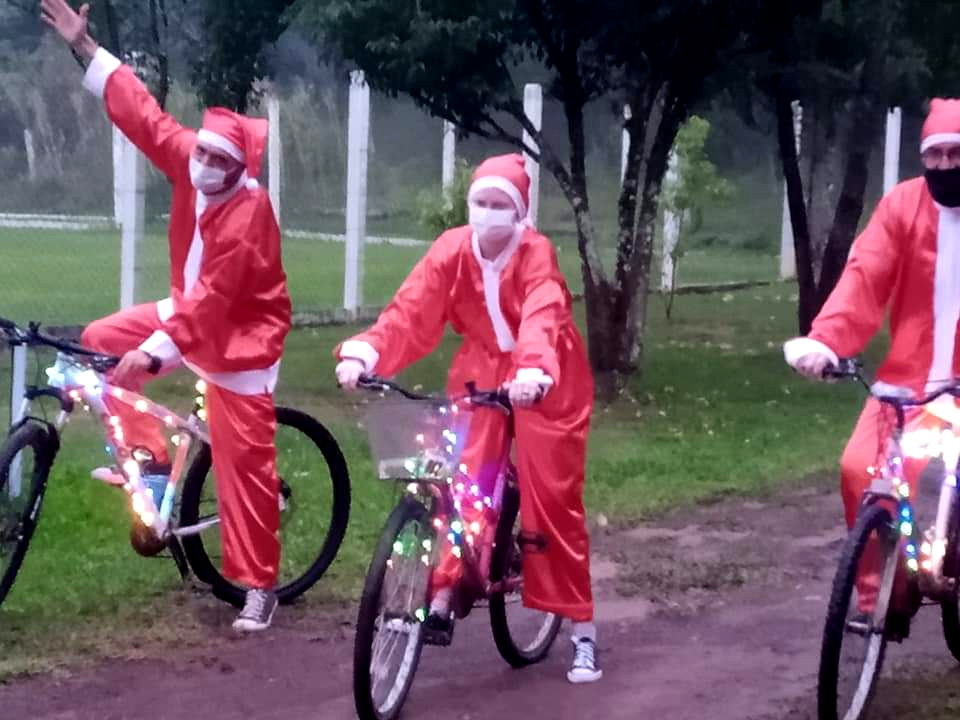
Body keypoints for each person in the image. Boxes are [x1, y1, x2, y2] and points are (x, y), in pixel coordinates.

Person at [41, 0, 292, 632]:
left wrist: (154, 352)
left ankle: (260, 586)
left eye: (218, 166)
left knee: (244, 474)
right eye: (200, 157)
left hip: (240, 341)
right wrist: (84, 46)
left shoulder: (249, 218)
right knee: (99, 342)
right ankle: (150, 465)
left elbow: (215, 304)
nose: (203, 169)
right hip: (190, 309)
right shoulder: (193, 157)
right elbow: (141, 114)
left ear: (241, 170)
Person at [335, 153, 602, 683]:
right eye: (480, 201)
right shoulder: (451, 251)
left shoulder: (535, 253)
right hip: (482, 365)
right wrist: (366, 352)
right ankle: (442, 585)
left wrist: (533, 371)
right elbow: (412, 310)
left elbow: (544, 312)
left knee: (552, 498)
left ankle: (582, 631)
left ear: (521, 212)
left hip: (549, 374)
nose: (487, 212)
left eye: (500, 204)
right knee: (462, 478)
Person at [783, 98, 960, 635]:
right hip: (907, 384)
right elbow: (864, 277)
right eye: (937, 156)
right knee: (860, 469)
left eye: (958, 154)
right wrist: (826, 342)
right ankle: (882, 597)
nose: (947, 166)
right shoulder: (902, 207)